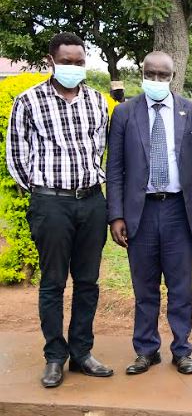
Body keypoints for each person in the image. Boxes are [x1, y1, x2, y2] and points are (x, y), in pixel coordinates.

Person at [6, 32, 112, 387]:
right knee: (53, 284)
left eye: (79, 62)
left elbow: (100, 151)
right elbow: (17, 158)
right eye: (66, 62)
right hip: (51, 203)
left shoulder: (97, 102)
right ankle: (55, 356)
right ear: (51, 61)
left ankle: (82, 352)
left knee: (87, 282)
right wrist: (43, 192)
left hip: (92, 202)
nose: (73, 68)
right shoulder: (29, 101)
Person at [106, 51, 192, 376]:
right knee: (145, 286)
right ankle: (146, 350)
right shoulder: (125, 113)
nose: (155, 80)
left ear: (173, 75)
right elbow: (115, 169)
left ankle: (182, 350)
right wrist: (116, 215)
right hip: (140, 211)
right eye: (150, 74)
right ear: (142, 73)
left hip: (179, 212)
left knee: (181, 287)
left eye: (161, 75)